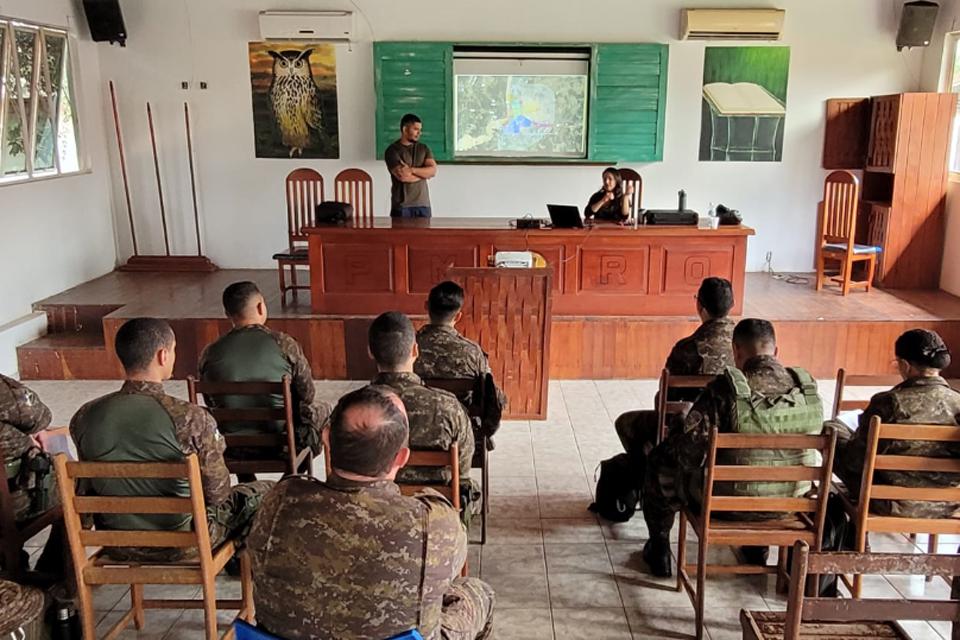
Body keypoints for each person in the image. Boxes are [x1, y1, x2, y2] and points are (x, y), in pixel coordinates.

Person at [247, 385, 494, 640]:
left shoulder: (278, 502)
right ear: (401, 458)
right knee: (477, 593)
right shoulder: (432, 523)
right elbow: (453, 565)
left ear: (327, 439)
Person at [70, 318, 272, 562]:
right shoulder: (191, 418)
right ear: (163, 355)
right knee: (264, 492)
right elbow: (218, 494)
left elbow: (85, 490)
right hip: (186, 545)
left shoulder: (84, 416)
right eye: (174, 350)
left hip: (117, 543)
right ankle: (238, 560)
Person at [640, 319, 824, 577]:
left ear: (736, 351)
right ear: (776, 350)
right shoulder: (807, 391)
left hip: (726, 505)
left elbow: (686, 455)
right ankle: (756, 548)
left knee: (660, 460)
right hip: (792, 504)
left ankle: (659, 549)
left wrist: (683, 424)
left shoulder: (724, 392)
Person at [198, 281, 331, 478]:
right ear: (261, 307)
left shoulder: (209, 353)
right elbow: (307, 394)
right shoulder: (283, 344)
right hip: (282, 445)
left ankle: (248, 481)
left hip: (232, 446)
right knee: (323, 410)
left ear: (228, 314)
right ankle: (289, 479)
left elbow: (211, 401)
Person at [831, 329, 960, 518]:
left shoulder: (889, 403)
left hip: (891, 501)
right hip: (948, 504)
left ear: (905, 365)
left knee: (833, 430)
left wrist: (840, 434)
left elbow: (855, 462)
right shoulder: (958, 403)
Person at [614, 277, 736, 458]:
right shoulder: (745, 343)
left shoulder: (687, 348)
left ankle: (650, 473)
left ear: (699, 306)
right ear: (731, 305)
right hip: (734, 425)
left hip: (693, 430)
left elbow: (666, 399)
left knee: (626, 423)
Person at [368, 312, 474, 498]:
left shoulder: (351, 408)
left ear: (370, 351)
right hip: (434, 509)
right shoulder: (448, 407)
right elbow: (463, 470)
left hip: (375, 510)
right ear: (415, 351)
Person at [414, 281, 507, 441]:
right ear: (458, 316)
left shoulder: (409, 348)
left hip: (414, 426)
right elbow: (491, 395)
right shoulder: (471, 351)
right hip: (458, 430)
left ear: (426, 306)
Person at [0, 374, 64, 576]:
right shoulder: (5, 392)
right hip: (12, 502)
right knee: (80, 486)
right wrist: (34, 431)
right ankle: (55, 577)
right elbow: (40, 416)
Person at [385, 113, 437, 218]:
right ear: (405, 129)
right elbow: (403, 176)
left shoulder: (424, 148)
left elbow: (433, 171)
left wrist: (411, 170)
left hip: (423, 205)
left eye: (420, 130)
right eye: (415, 129)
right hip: (402, 206)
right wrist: (423, 174)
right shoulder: (392, 150)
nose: (419, 133)